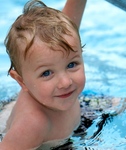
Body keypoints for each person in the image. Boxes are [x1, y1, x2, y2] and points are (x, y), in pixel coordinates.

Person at [0, 0, 86, 149]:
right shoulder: (32, 125)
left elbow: (69, 28)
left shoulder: (54, 91)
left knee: (122, 104)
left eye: (71, 65)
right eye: (46, 73)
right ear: (22, 81)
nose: (66, 82)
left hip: (67, 128)